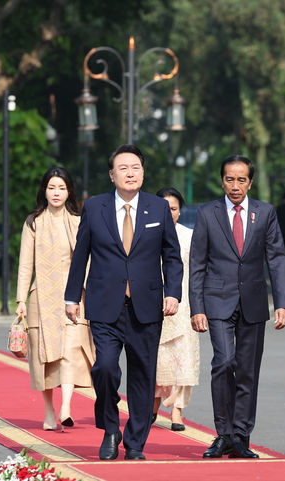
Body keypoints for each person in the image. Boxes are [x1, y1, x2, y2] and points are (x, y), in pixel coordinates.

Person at [64, 144, 183, 461]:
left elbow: (172, 257)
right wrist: (72, 296)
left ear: (143, 172)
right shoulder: (95, 208)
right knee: (104, 368)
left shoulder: (158, 208)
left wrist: (172, 292)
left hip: (147, 306)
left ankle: (134, 443)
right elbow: (81, 256)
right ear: (112, 174)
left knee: (143, 376)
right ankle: (110, 427)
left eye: (136, 168)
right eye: (124, 168)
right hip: (105, 304)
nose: (131, 173)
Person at [189, 154, 285, 459]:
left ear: (250, 182)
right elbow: (197, 263)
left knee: (247, 371)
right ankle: (223, 433)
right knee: (223, 362)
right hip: (217, 301)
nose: (235, 185)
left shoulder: (265, 212)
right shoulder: (208, 214)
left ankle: (241, 436)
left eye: (241, 179)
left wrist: (281, 303)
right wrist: (197, 307)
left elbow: (277, 257)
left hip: (254, 303)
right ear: (222, 180)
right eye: (230, 179)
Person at [15, 166, 95, 431]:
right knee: (45, 357)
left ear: (69, 190)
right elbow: (26, 264)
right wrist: (20, 300)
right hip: (42, 297)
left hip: (73, 297)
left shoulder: (79, 220)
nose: (57, 192)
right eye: (52, 187)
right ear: (44, 191)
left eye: (61, 187)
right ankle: (49, 412)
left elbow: (89, 260)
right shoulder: (33, 222)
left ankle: (66, 407)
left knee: (71, 350)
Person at [152, 187, 200, 432]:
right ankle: (154, 402)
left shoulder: (190, 237)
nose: (169, 213)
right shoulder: (147, 233)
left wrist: (198, 306)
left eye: (173, 208)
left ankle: (177, 411)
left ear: (180, 211)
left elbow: (197, 273)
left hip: (183, 307)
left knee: (183, 360)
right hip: (153, 305)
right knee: (157, 360)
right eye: (164, 208)